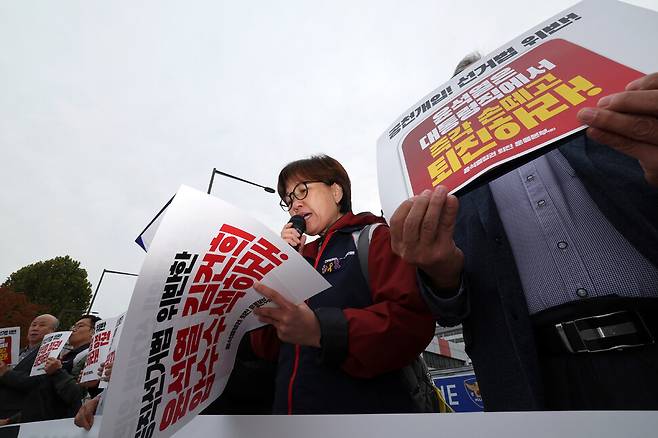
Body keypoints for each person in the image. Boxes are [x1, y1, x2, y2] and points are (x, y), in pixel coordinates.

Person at [389, 60, 658, 411]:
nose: (485, 98)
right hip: (537, 378)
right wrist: (440, 274)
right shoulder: (446, 192)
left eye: (498, 83)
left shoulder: (606, 126)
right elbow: (450, 310)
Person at [250, 154, 436, 414]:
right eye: (288, 199)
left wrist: (322, 330)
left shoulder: (375, 238)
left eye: (302, 190)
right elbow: (266, 347)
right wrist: (280, 269)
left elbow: (411, 322)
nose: (294, 205)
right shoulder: (299, 259)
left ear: (336, 191)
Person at [9, 315, 101, 424]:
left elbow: (78, 394)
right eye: (73, 326)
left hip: (62, 423)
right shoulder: (64, 355)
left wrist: (57, 372)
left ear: (94, 331)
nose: (73, 329)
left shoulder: (93, 356)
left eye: (80, 326)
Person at [0, 314, 58, 420]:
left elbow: (36, 381)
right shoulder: (15, 352)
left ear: (52, 331)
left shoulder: (50, 354)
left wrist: (5, 373)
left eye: (42, 325)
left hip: (18, 415)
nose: (35, 328)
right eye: (33, 325)